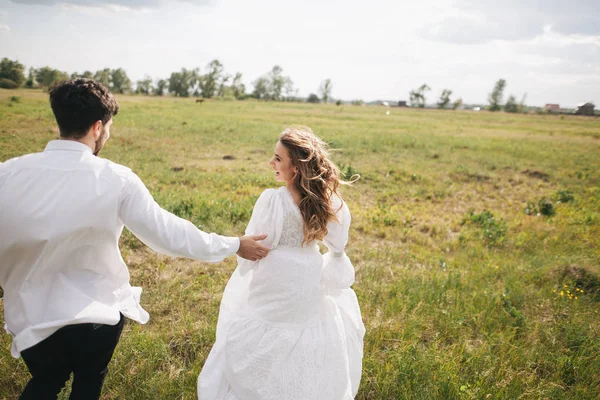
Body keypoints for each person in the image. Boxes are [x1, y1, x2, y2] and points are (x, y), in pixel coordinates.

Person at [0, 78, 269, 400]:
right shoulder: (116, 178)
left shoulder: (9, 173)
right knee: (88, 385)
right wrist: (233, 243)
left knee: (46, 380)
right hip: (96, 316)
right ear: (98, 127)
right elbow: (167, 233)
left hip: (31, 317)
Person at [198, 126, 365, 400]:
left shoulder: (273, 201)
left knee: (257, 324)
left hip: (275, 284)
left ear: (295, 167)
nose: (271, 163)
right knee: (304, 336)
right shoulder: (326, 202)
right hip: (308, 275)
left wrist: (248, 268)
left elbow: (256, 248)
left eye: (277, 158)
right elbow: (337, 244)